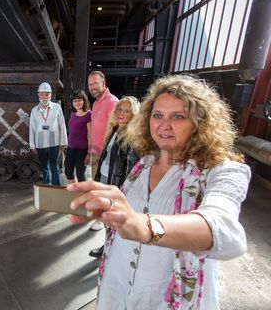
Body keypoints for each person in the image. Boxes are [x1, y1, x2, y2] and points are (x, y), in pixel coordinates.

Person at [68, 75, 250, 309]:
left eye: (178, 116)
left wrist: (145, 225)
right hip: (118, 284)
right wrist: (107, 211)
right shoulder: (143, 164)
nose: (164, 124)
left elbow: (226, 234)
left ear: (199, 122)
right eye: (158, 115)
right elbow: (128, 218)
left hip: (164, 296)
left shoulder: (222, 170)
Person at [88, 96, 140, 258]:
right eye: (119, 110)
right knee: (107, 219)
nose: (121, 114)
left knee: (115, 220)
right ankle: (108, 246)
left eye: (127, 111)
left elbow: (132, 168)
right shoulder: (114, 129)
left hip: (117, 185)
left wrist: (123, 191)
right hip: (105, 180)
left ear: (134, 115)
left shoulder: (132, 136)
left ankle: (113, 251)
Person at [87, 70, 119, 231]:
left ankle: (102, 219)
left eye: (95, 83)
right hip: (95, 152)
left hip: (106, 155)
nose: (92, 87)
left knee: (104, 187)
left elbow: (116, 131)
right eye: (90, 84)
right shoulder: (95, 103)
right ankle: (98, 214)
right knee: (96, 185)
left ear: (103, 83)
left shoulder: (112, 102)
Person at [29, 82, 68, 185]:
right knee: (45, 167)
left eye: (47, 94)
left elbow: (61, 125)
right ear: (38, 95)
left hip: (54, 143)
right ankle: (46, 186)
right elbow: (32, 128)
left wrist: (63, 142)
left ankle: (56, 188)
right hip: (40, 144)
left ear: (51, 95)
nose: (44, 97)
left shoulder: (57, 108)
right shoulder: (34, 110)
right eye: (42, 94)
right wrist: (32, 145)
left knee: (55, 168)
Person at [64, 90, 91, 183]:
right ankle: (76, 191)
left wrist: (89, 153)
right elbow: (72, 131)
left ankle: (82, 195)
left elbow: (90, 135)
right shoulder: (72, 114)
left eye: (79, 100)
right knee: (68, 172)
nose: (77, 103)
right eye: (75, 101)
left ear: (84, 101)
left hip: (82, 150)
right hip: (71, 148)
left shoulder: (89, 115)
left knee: (80, 175)